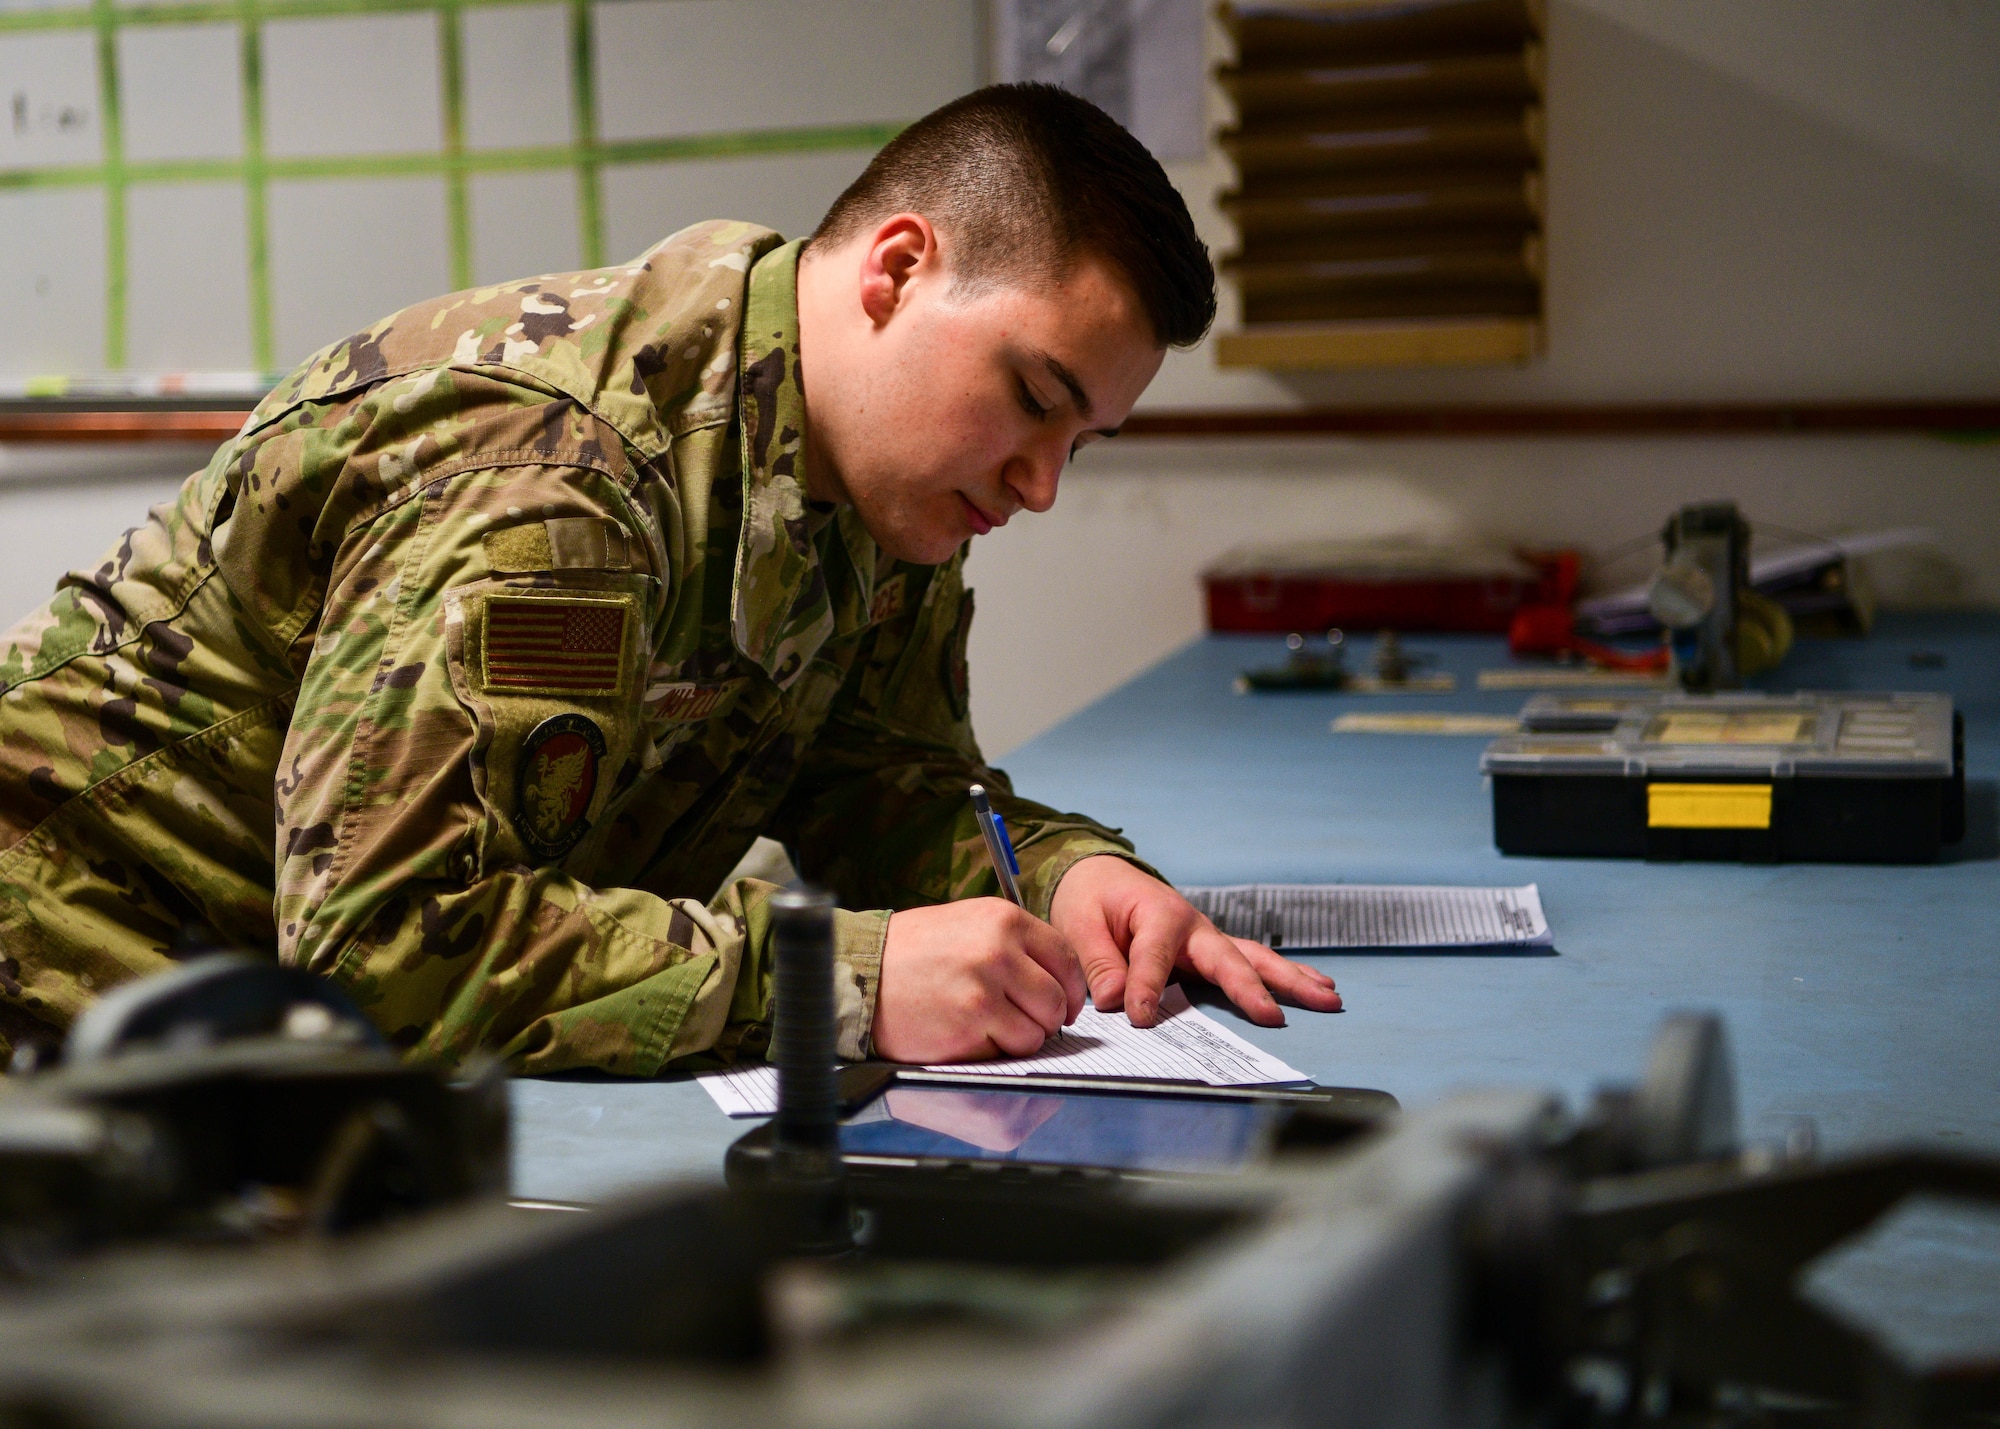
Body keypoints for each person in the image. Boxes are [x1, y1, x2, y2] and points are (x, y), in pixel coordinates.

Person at [0, 83, 1340, 1073]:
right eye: (1033, 400)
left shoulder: (884, 494)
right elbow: (388, 946)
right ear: (896, 272)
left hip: (242, 1054)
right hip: (64, 1001)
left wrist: (1063, 877)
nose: (1043, 482)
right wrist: (850, 979)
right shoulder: (557, 473)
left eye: (1082, 441)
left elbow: (877, 779)